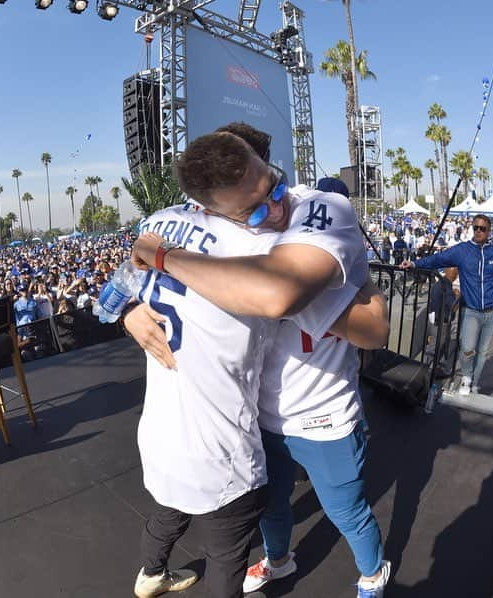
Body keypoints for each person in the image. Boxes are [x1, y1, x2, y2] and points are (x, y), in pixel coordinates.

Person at [128, 130, 392, 597]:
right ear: (210, 211)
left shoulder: (322, 209)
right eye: (253, 210)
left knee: (345, 510)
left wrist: (161, 256)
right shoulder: (228, 243)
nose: (274, 210)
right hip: (259, 415)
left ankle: (372, 576)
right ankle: (278, 561)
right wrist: (129, 311)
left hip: (322, 412)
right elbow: (125, 285)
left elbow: (364, 324)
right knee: (272, 508)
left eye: (274, 185)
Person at [401, 214, 493, 395]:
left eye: (482, 228)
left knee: (482, 352)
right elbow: (437, 259)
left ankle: (474, 383)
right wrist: (414, 263)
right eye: (475, 227)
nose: (478, 231)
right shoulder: (462, 251)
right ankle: (467, 378)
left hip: (492, 311)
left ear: (489, 231)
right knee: (468, 348)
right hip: (470, 310)